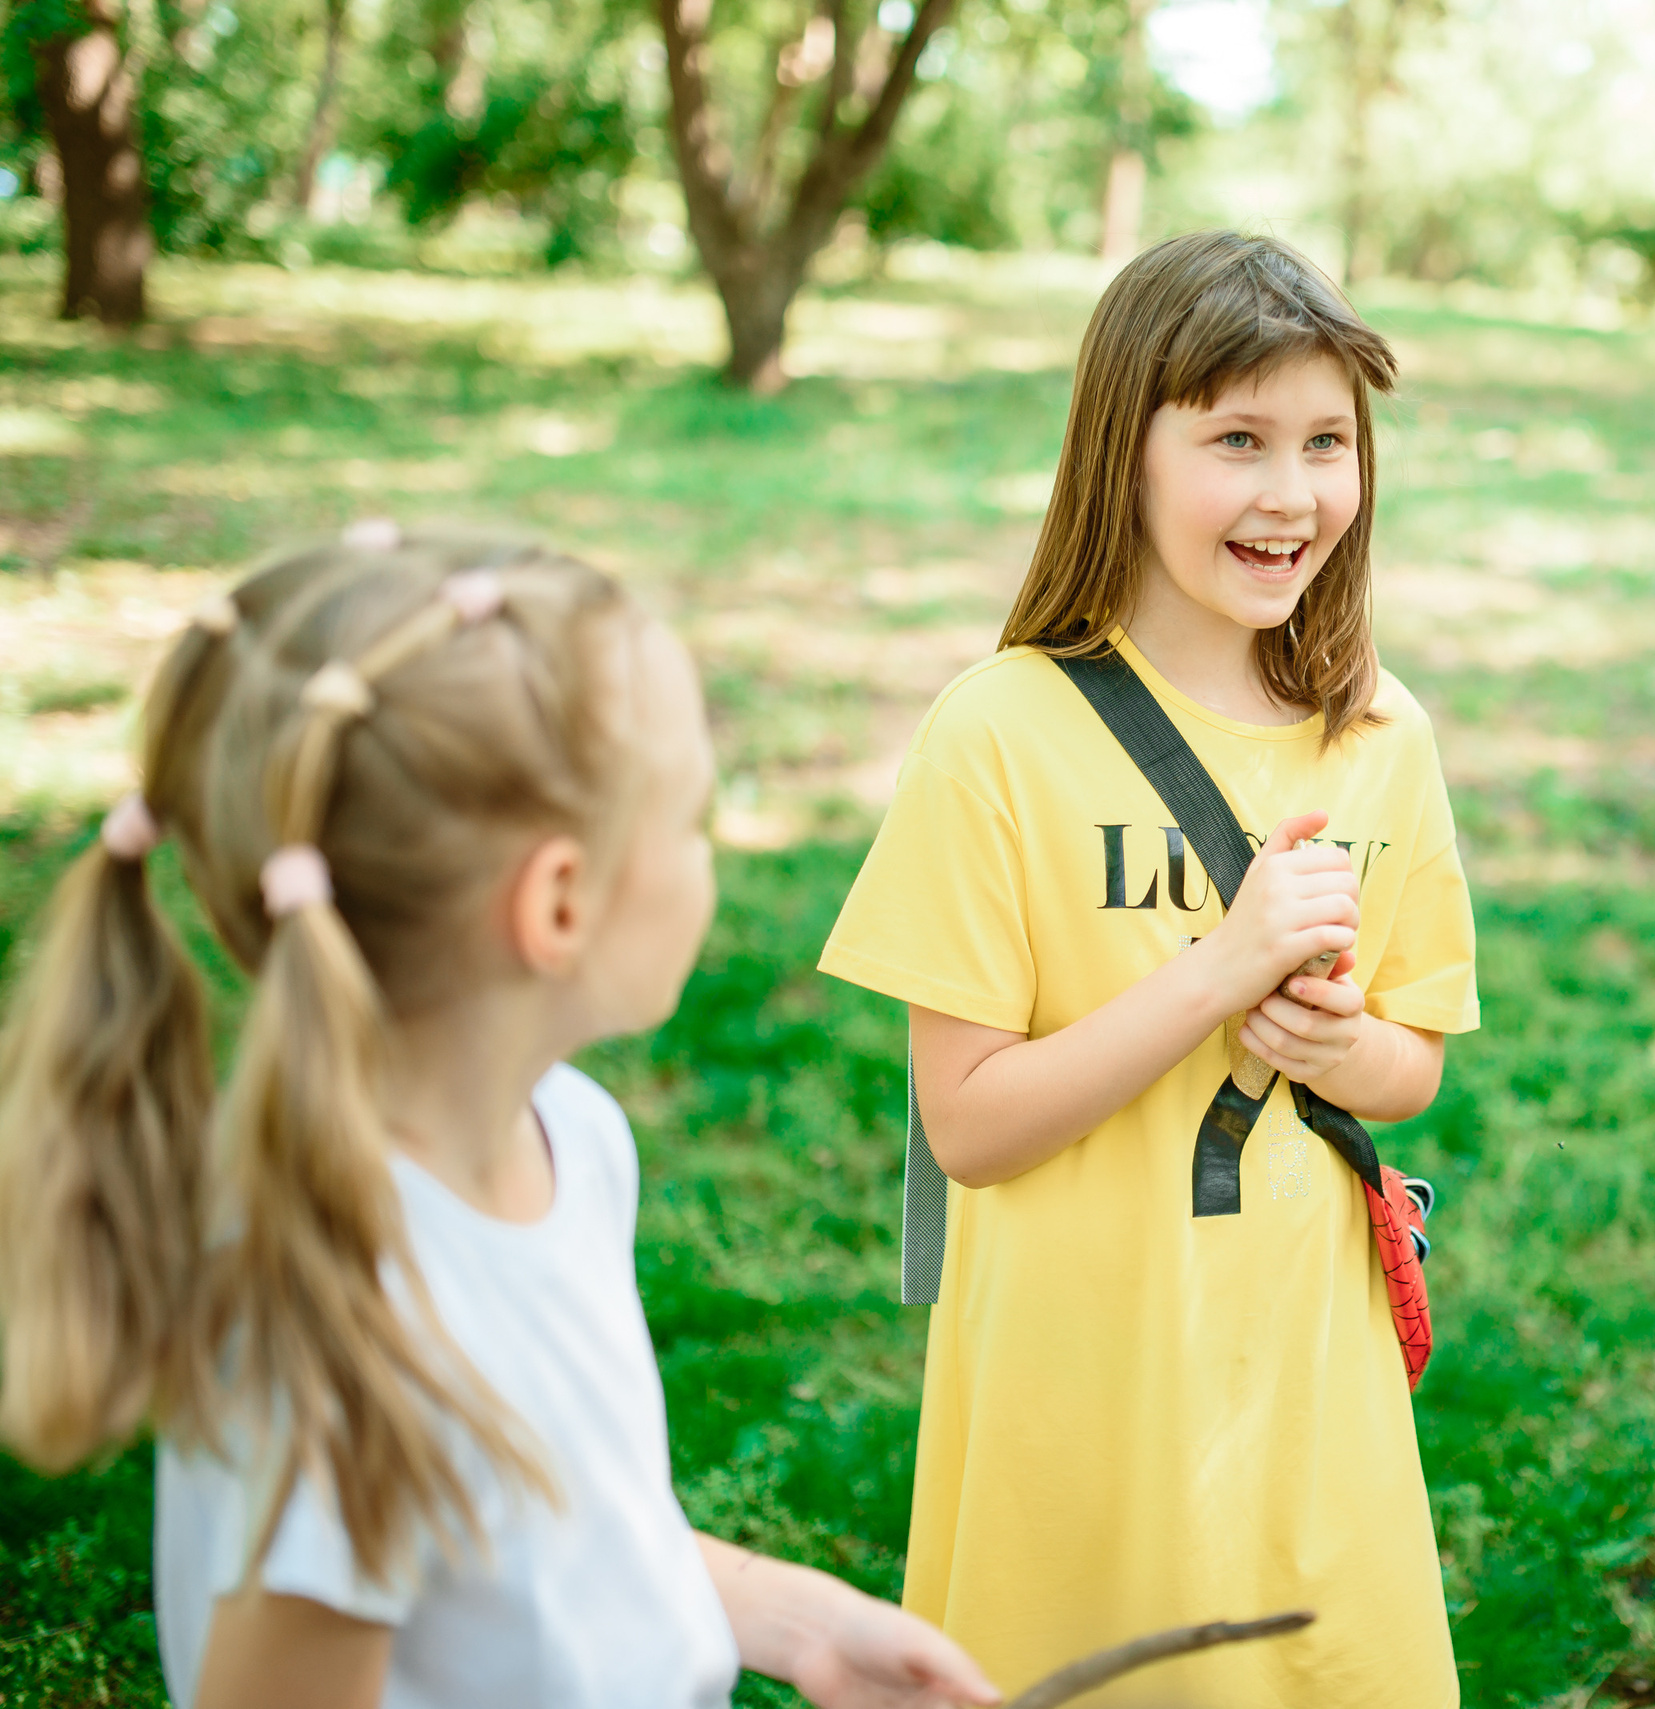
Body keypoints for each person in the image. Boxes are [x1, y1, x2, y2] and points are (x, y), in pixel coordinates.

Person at [0, 527, 1000, 1709]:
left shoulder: (569, 1140)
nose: (708, 847)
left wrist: (803, 1621)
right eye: (688, 815)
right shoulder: (341, 1333)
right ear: (558, 902)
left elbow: (579, 1537)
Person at [818, 230, 1479, 1707]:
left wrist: (1331, 1040)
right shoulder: (999, 732)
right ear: (1126, 447)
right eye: (1236, 439)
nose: (1291, 493)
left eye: (1326, 441)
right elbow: (970, 1127)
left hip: (1306, 1367)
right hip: (1081, 1370)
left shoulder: (1383, 737)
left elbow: (1413, 1066)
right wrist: (1218, 969)